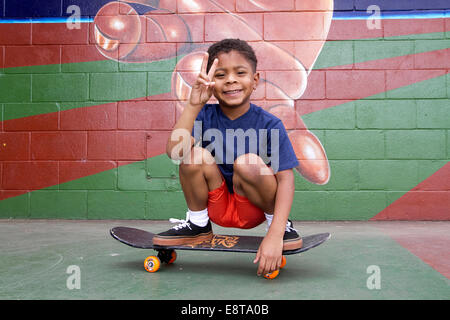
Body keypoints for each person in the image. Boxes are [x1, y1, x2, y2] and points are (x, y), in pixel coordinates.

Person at [153, 38, 302, 276]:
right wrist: (193, 105)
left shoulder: (270, 123)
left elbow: (286, 180)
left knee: (248, 163)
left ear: (255, 80)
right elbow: (175, 152)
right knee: (194, 155)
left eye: (240, 73)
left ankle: (281, 226)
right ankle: (198, 224)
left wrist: (275, 234)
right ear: (211, 82)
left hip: (254, 206)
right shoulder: (203, 115)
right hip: (218, 205)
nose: (231, 79)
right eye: (221, 75)